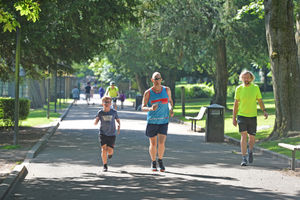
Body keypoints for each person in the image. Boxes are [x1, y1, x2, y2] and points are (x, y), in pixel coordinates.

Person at [233, 70, 268, 166]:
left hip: (252, 116)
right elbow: (236, 104)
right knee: (243, 136)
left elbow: (260, 101)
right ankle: (244, 158)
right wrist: (234, 118)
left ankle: (250, 151)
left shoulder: (255, 88)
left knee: (252, 138)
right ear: (241, 78)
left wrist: (264, 110)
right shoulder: (239, 89)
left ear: (251, 78)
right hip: (242, 116)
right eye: (244, 78)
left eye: (247, 77)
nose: (246, 79)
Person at [142, 72, 174, 172]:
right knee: (153, 143)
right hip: (152, 121)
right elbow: (143, 107)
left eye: (158, 79)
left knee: (161, 143)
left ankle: (160, 161)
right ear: (152, 80)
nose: (157, 81)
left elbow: (170, 101)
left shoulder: (166, 90)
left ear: (161, 79)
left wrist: (171, 109)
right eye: (155, 79)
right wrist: (151, 108)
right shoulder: (148, 92)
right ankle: (153, 162)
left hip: (164, 120)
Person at [94, 96, 121, 172]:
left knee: (110, 151)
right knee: (103, 149)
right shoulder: (100, 112)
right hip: (103, 133)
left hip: (112, 134)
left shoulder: (114, 112)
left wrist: (119, 126)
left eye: (108, 102)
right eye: (105, 102)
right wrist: (95, 122)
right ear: (102, 103)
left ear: (110, 103)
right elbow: (96, 120)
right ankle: (105, 165)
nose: (107, 103)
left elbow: (118, 120)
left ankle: (110, 154)